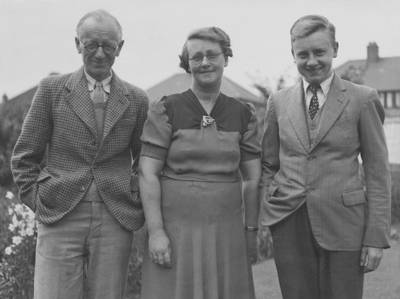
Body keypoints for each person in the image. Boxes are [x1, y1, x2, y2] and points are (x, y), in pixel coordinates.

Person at [11, 10, 149, 299]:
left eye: (108, 46)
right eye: (90, 45)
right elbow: (24, 157)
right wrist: (41, 201)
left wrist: (133, 197)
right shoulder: (51, 89)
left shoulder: (137, 99)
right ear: (77, 44)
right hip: (59, 213)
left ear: (120, 48)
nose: (99, 53)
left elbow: (145, 160)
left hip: (115, 216)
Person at [260, 14, 391, 299]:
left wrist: (375, 238)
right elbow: (268, 163)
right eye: (302, 54)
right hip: (289, 221)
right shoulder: (278, 102)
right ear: (292, 55)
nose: (312, 61)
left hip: (345, 223)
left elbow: (377, 171)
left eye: (320, 52)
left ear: (335, 49)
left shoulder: (362, 98)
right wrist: (271, 205)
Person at [139, 27, 261, 299]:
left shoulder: (243, 114)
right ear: (187, 64)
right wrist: (156, 232)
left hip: (226, 230)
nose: (205, 62)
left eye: (212, 55)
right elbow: (147, 173)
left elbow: (253, 178)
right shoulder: (166, 109)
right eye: (196, 57)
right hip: (176, 230)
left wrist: (251, 231)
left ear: (226, 58)